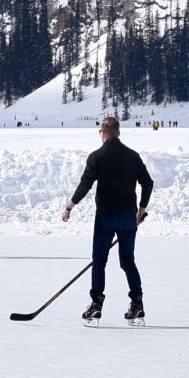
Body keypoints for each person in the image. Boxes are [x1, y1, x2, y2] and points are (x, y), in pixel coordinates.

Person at [62, 115, 153, 323]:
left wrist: (69, 207)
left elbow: (85, 185)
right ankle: (137, 303)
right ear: (118, 133)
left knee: (99, 261)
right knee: (128, 261)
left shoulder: (96, 157)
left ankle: (96, 304)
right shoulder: (133, 156)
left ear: (102, 134)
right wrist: (141, 209)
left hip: (106, 217)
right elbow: (148, 183)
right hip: (128, 218)